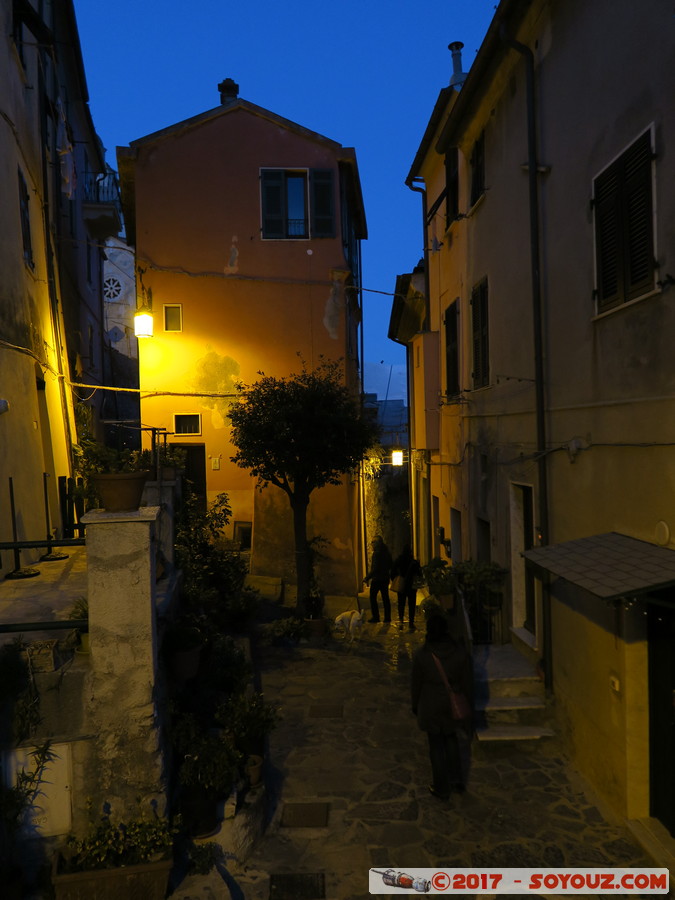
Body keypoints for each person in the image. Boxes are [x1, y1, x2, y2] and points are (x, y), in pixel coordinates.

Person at [411, 614, 473, 800]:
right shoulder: (460, 653)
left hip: (431, 704)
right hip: (451, 704)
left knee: (436, 746)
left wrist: (415, 705)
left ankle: (441, 787)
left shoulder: (422, 655)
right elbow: (467, 682)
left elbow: (416, 684)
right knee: (451, 739)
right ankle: (456, 780)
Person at [391, 545, 422, 630]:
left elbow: (393, 570)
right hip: (411, 586)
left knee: (401, 603)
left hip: (402, 584)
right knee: (411, 604)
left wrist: (395, 579)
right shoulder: (414, 562)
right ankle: (411, 622)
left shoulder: (399, 560)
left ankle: (401, 620)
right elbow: (419, 574)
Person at [363, 536, 393, 623]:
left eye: (373, 542)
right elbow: (391, 564)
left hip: (377, 579)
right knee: (385, 598)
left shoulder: (376, 553)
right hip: (385, 578)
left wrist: (367, 577)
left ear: (377, 543)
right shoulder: (387, 552)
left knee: (373, 598)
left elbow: (375, 568)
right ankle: (387, 618)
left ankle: (376, 617)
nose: (371, 544)